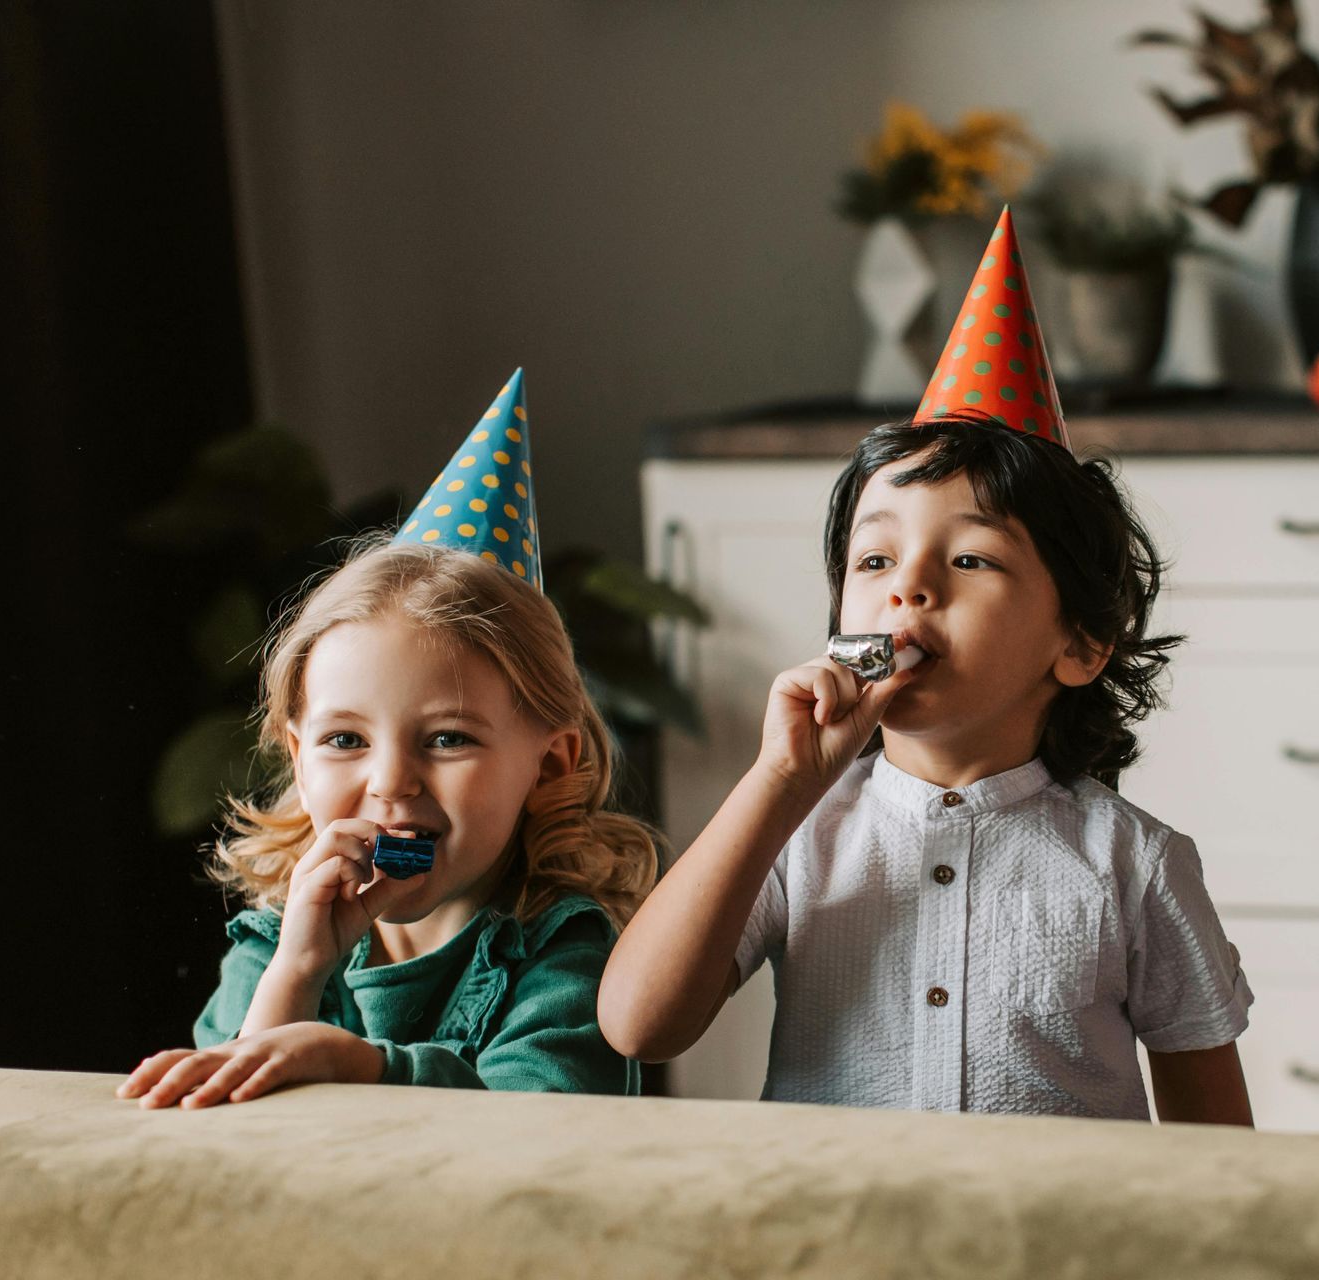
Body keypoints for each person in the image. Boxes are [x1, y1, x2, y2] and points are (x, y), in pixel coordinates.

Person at [599, 214, 1254, 1122]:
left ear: (1079, 644)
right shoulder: (802, 834)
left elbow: (1216, 1143)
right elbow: (638, 1025)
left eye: (971, 558)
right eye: (874, 560)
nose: (907, 586)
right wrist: (778, 784)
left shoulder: (1134, 864)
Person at [120, 371, 657, 1108]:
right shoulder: (274, 942)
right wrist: (296, 974)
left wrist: (367, 1069)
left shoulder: (565, 953)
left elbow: (547, 1123)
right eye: (345, 740)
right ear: (296, 757)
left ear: (549, 766)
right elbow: (221, 1136)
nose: (391, 782)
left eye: (447, 739)